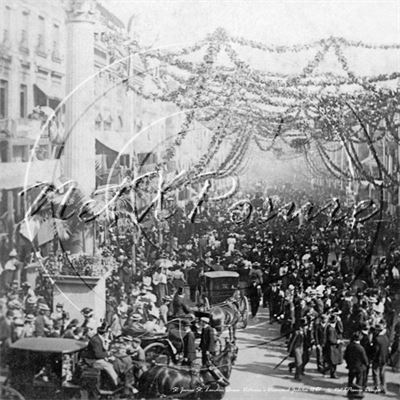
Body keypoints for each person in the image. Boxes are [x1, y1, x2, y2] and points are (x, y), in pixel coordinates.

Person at [83, 324, 119, 388]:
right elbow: (98, 354)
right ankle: (116, 384)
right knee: (108, 366)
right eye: (108, 332)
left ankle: (108, 383)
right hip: (92, 360)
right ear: (105, 333)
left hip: (96, 358)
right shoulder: (96, 340)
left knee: (114, 362)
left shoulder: (99, 338)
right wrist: (108, 354)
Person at [344, 332, 369, 398]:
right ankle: (357, 393)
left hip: (351, 366)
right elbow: (365, 359)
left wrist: (348, 363)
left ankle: (349, 392)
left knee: (350, 380)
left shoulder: (349, 346)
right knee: (359, 380)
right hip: (359, 367)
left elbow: (345, 356)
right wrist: (366, 364)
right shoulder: (361, 348)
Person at [371, 323, 390, 394]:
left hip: (377, 358)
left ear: (378, 330)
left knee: (375, 373)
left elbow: (376, 350)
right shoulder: (386, 338)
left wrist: (372, 357)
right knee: (382, 374)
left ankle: (377, 388)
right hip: (384, 358)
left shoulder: (377, 339)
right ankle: (384, 388)